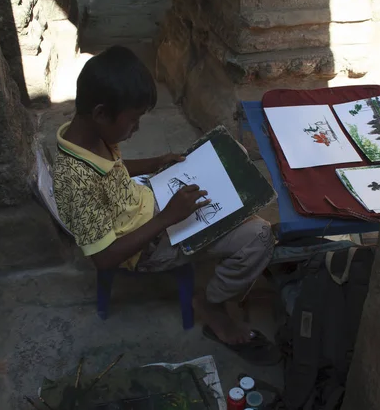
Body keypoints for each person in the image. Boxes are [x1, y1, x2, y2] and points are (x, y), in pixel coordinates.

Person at [53, 45, 277, 364]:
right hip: (146, 247)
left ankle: (226, 236)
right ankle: (211, 304)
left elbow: (113, 172)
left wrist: (156, 163)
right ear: (101, 113)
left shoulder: (87, 137)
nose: (137, 128)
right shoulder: (72, 180)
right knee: (259, 237)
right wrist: (168, 217)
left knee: (233, 155)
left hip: (148, 199)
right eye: (133, 120)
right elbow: (103, 260)